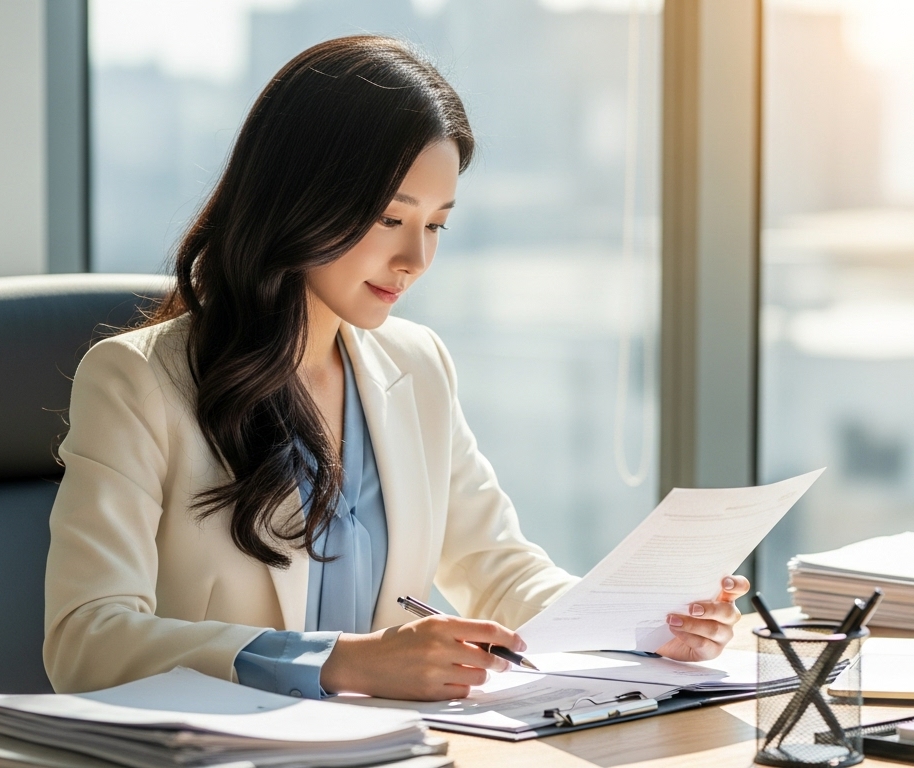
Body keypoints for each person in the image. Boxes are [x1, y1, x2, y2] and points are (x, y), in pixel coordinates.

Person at [43, 35, 748, 702]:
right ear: (302, 197)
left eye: (436, 224)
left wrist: (647, 625)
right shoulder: (136, 381)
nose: (416, 259)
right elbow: (86, 640)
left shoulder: (417, 364)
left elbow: (499, 570)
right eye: (390, 218)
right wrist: (341, 662)